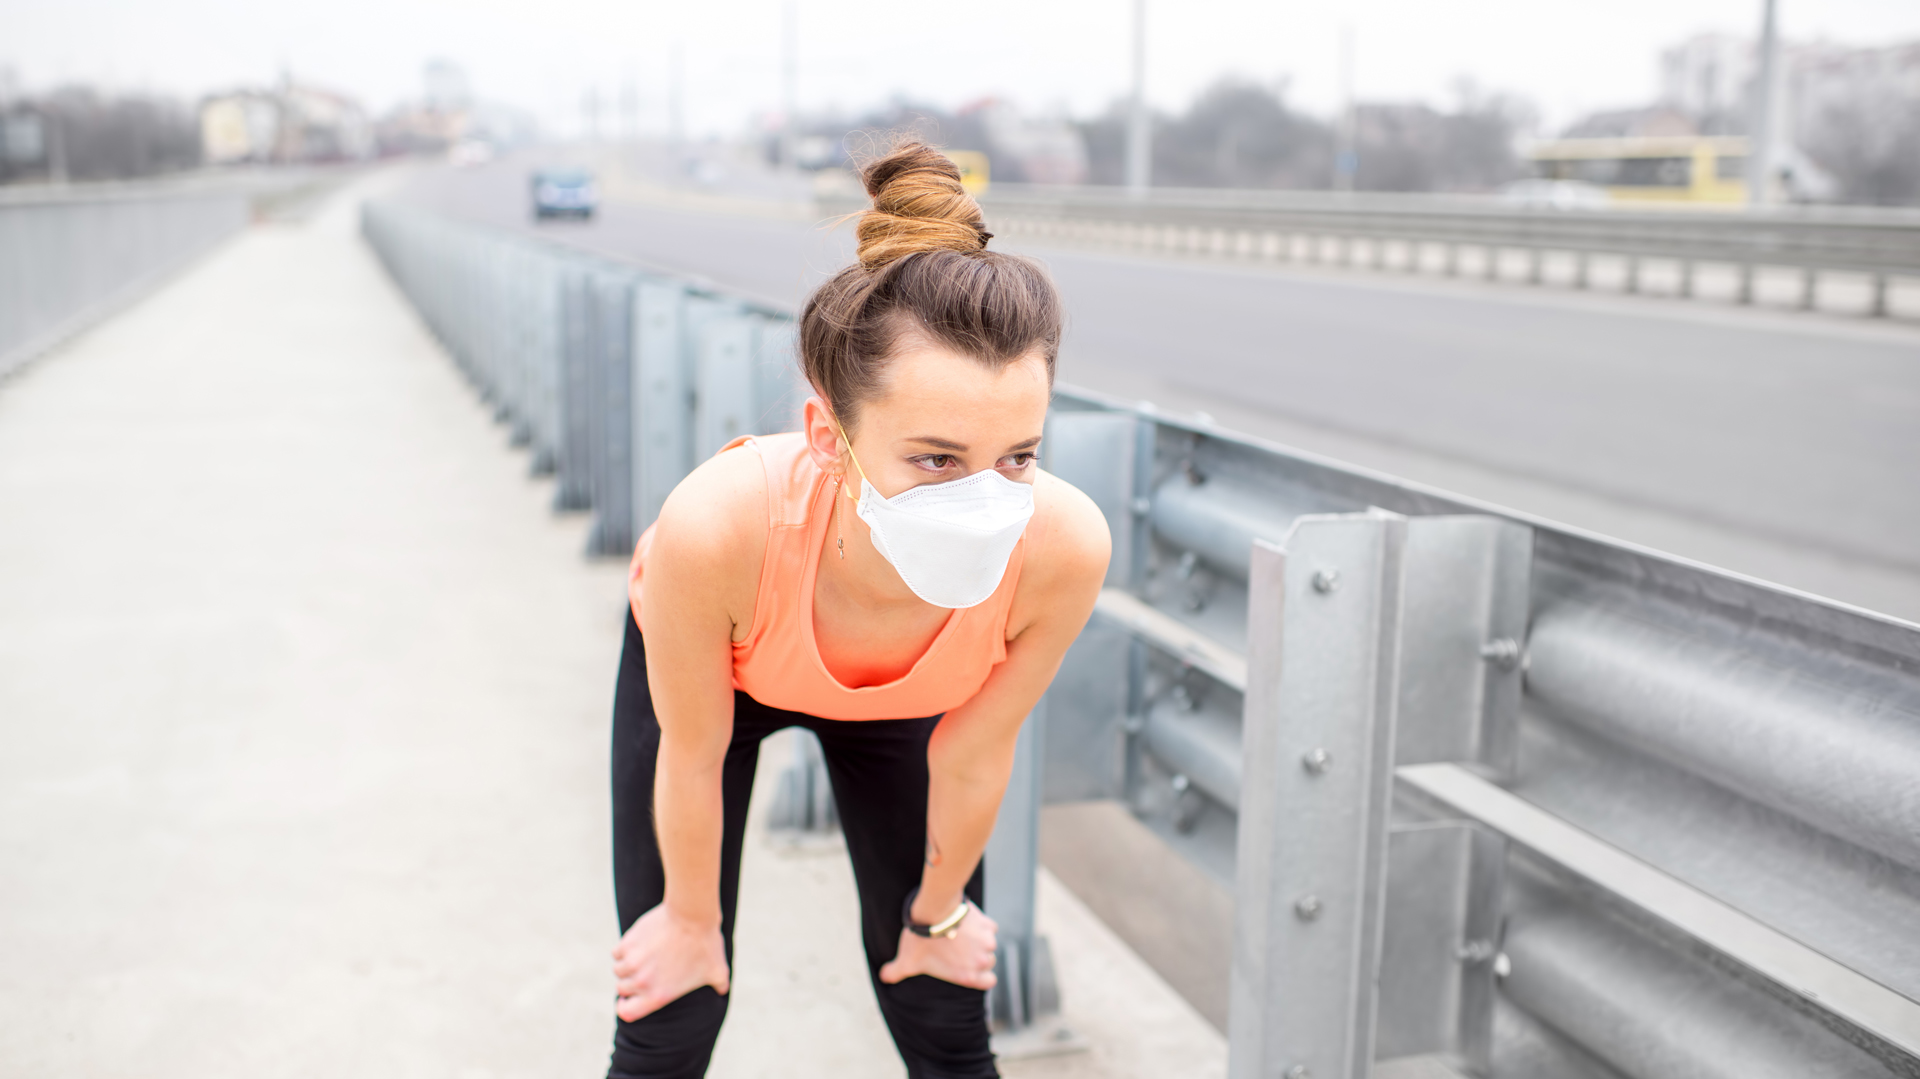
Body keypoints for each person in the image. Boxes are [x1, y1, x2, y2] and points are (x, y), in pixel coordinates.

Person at [605, 140, 1111, 1079]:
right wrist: (686, 919)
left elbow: (973, 751)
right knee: (671, 1008)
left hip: (902, 710)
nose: (984, 498)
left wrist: (940, 913)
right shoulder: (715, 527)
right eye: (934, 459)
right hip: (724, 675)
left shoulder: (1060, 547)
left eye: (1018, 456)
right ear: (826, 437)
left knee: (943, 1003)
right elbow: (693, 750)